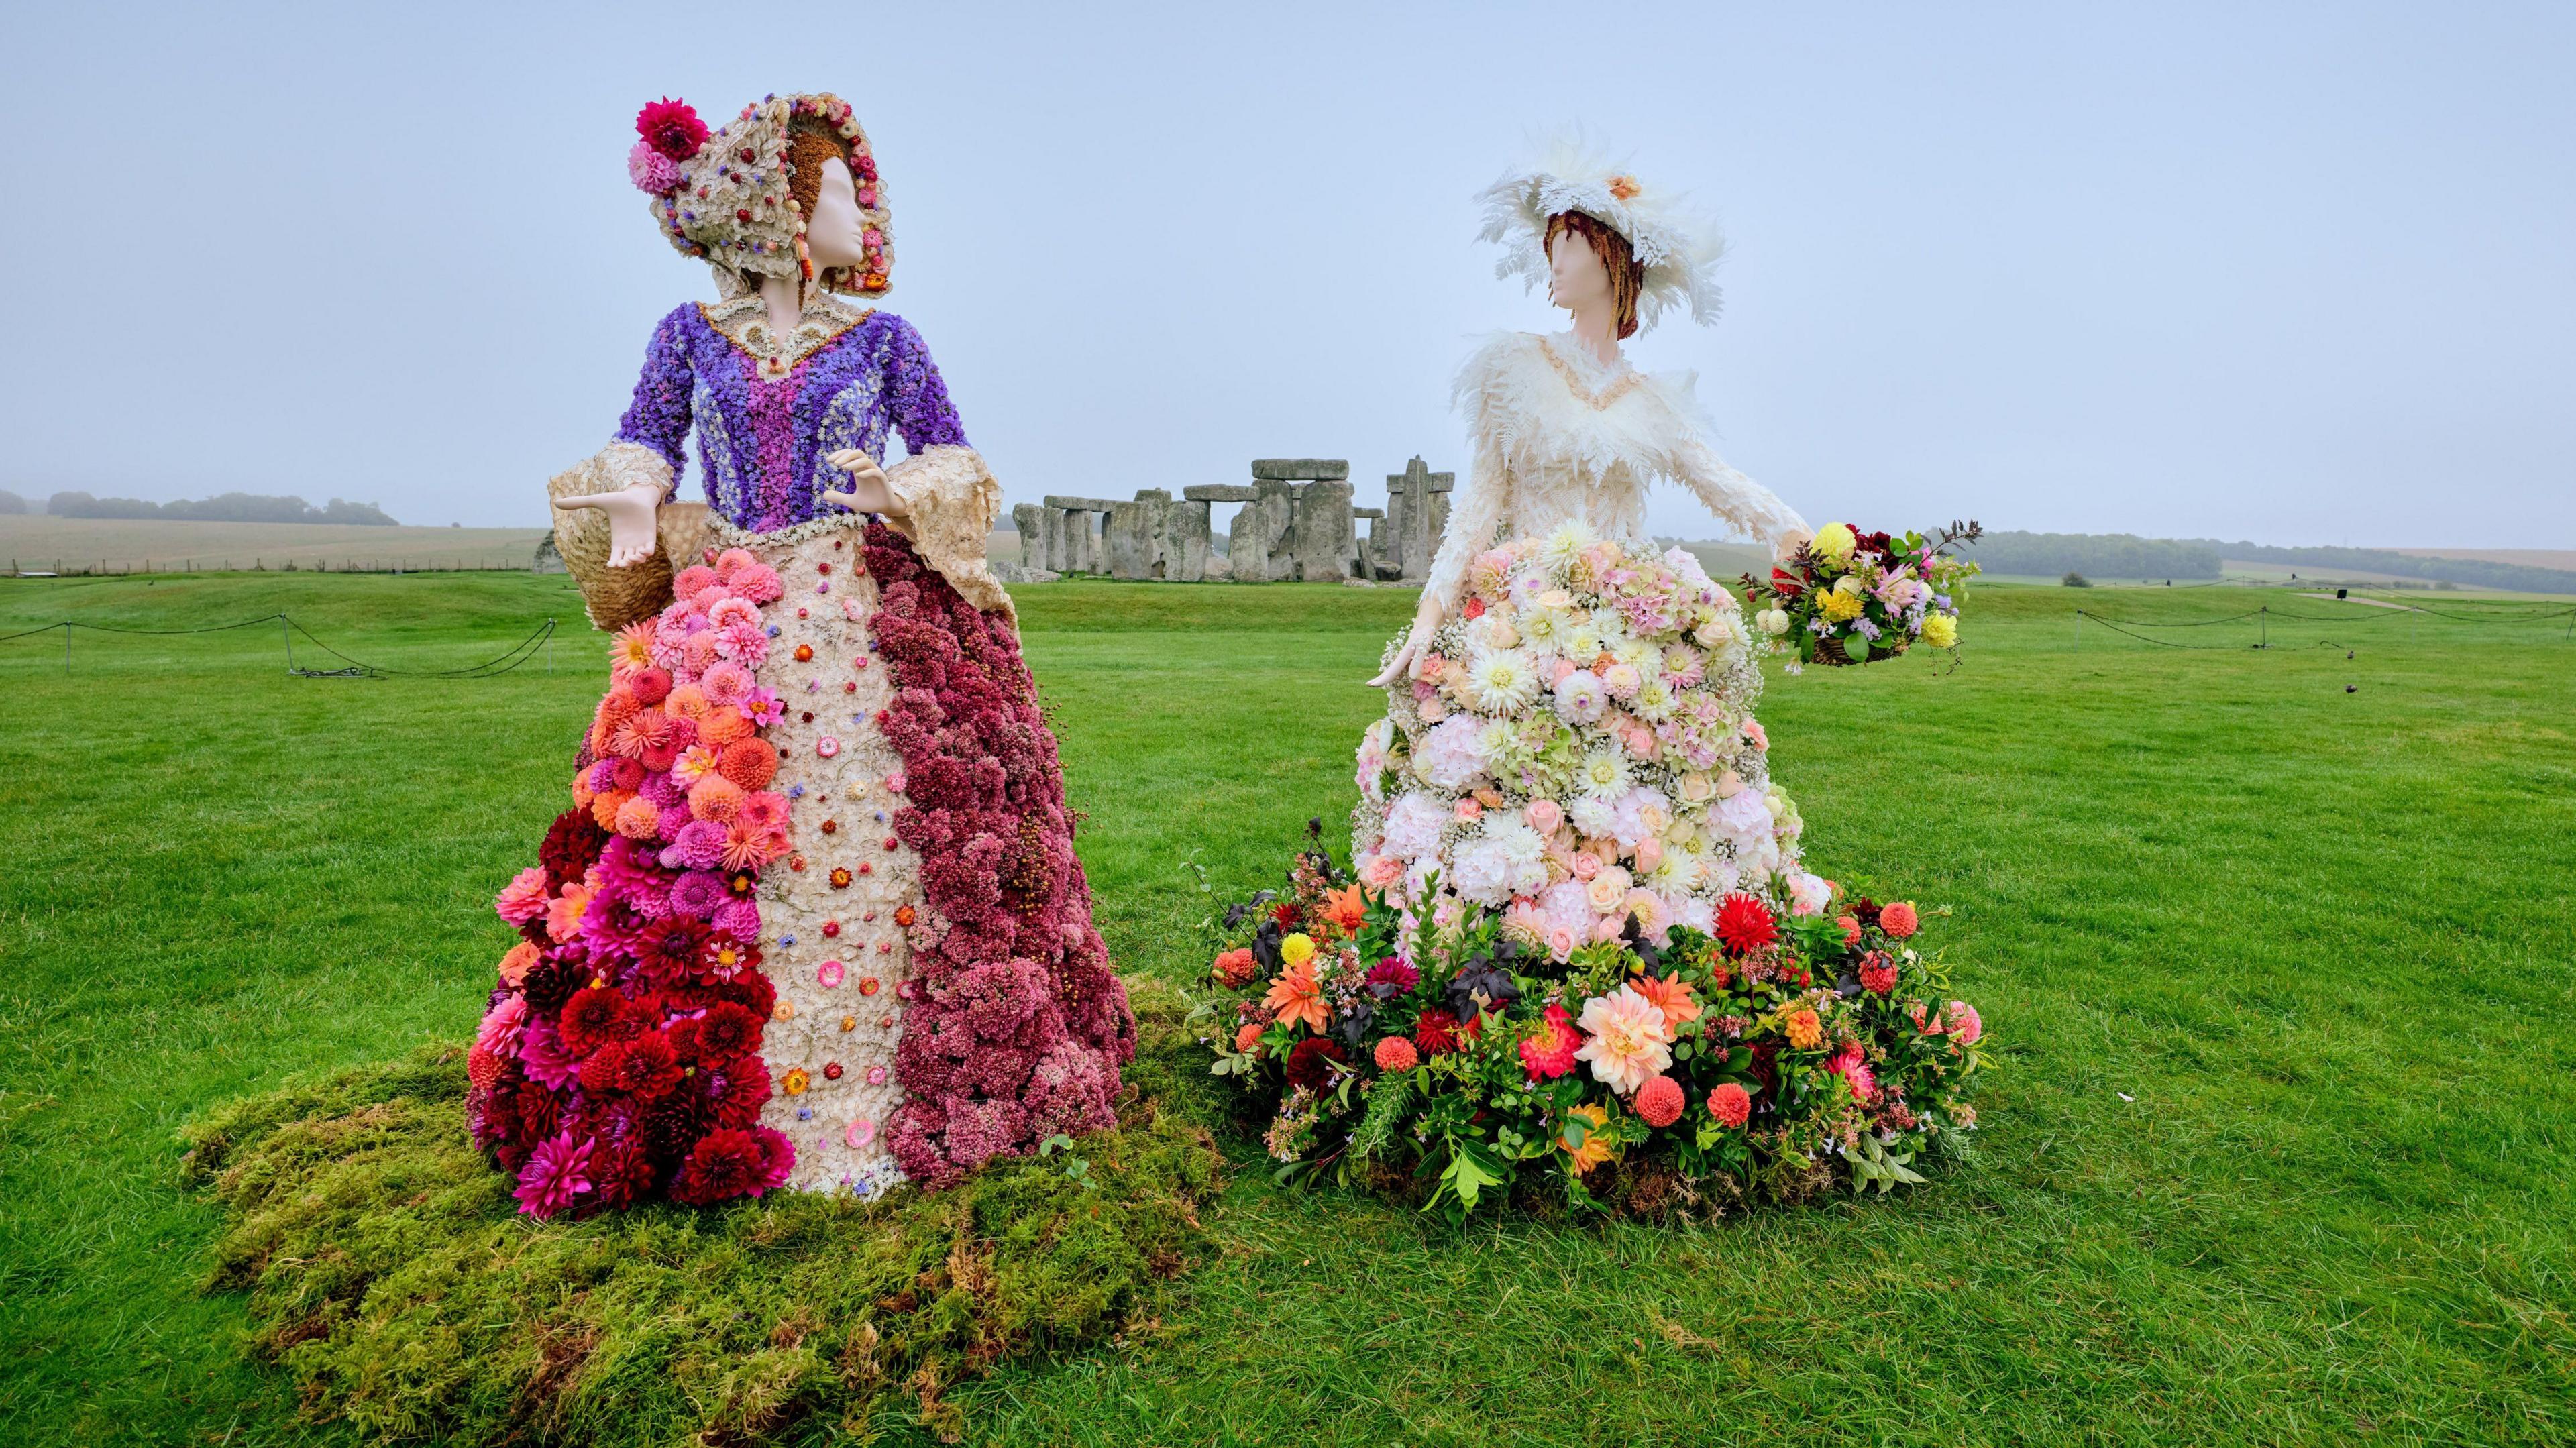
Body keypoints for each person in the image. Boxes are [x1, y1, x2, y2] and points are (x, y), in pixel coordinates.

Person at [469, 93, 1131, 1217]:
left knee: (890, 809)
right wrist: (636, 497)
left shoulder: (886, 340)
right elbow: (647, 430)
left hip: (861, 598)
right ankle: (709, 1079)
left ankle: (911, 1068)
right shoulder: (687, 335)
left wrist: (895, 489)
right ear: (770, 210)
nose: (858, 215)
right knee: (701, 811)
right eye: (834, 194)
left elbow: (957, 458)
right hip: (733, 616)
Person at [1350, 141, 1830, 950]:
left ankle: (1650, 934)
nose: (1553, 266)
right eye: (1551, 250)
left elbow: (1723, 482)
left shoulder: (1652, 401)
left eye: (1567, 249)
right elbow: (1480, 504)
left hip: (1632, 627)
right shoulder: (1514, 367)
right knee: (1509, 781)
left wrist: (1819, 550)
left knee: (1646, 794)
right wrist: (1433, 610)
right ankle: (1489, 933)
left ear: (1611, 262)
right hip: (1523, 620)